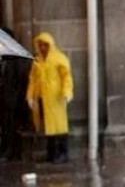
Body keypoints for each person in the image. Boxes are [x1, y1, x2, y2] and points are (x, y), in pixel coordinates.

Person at [25, 32, 73, 163]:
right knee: (48, 127)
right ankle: (51, 153)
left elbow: (66, 77)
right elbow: (33, 80)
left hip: (57, 98)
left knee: (60, 126)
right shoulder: (37, 61)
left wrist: (66, 92)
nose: (42, 48)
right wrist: (30, 96)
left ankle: (63, 153)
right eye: (40, 45)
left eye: (45, 45)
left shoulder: (60, 59)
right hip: (43, 98)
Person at [0, 27, 32, 161]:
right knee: (5, 127)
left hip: (14, 102)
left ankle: (11, 153)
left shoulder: (18, 59)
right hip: (4, 100)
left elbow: (23, 80)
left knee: (12, 128)